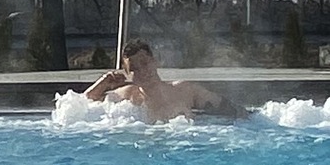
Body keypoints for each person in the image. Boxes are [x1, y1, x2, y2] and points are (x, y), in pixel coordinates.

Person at [83, 38, 238, 121]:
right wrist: (104, 82)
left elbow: (228, 108)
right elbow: (78, 106)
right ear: (128, 74)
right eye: (135, 69)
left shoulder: (184, 90)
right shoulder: (129, 95)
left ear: (155, 61)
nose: (142, 71)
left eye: (145, 63)